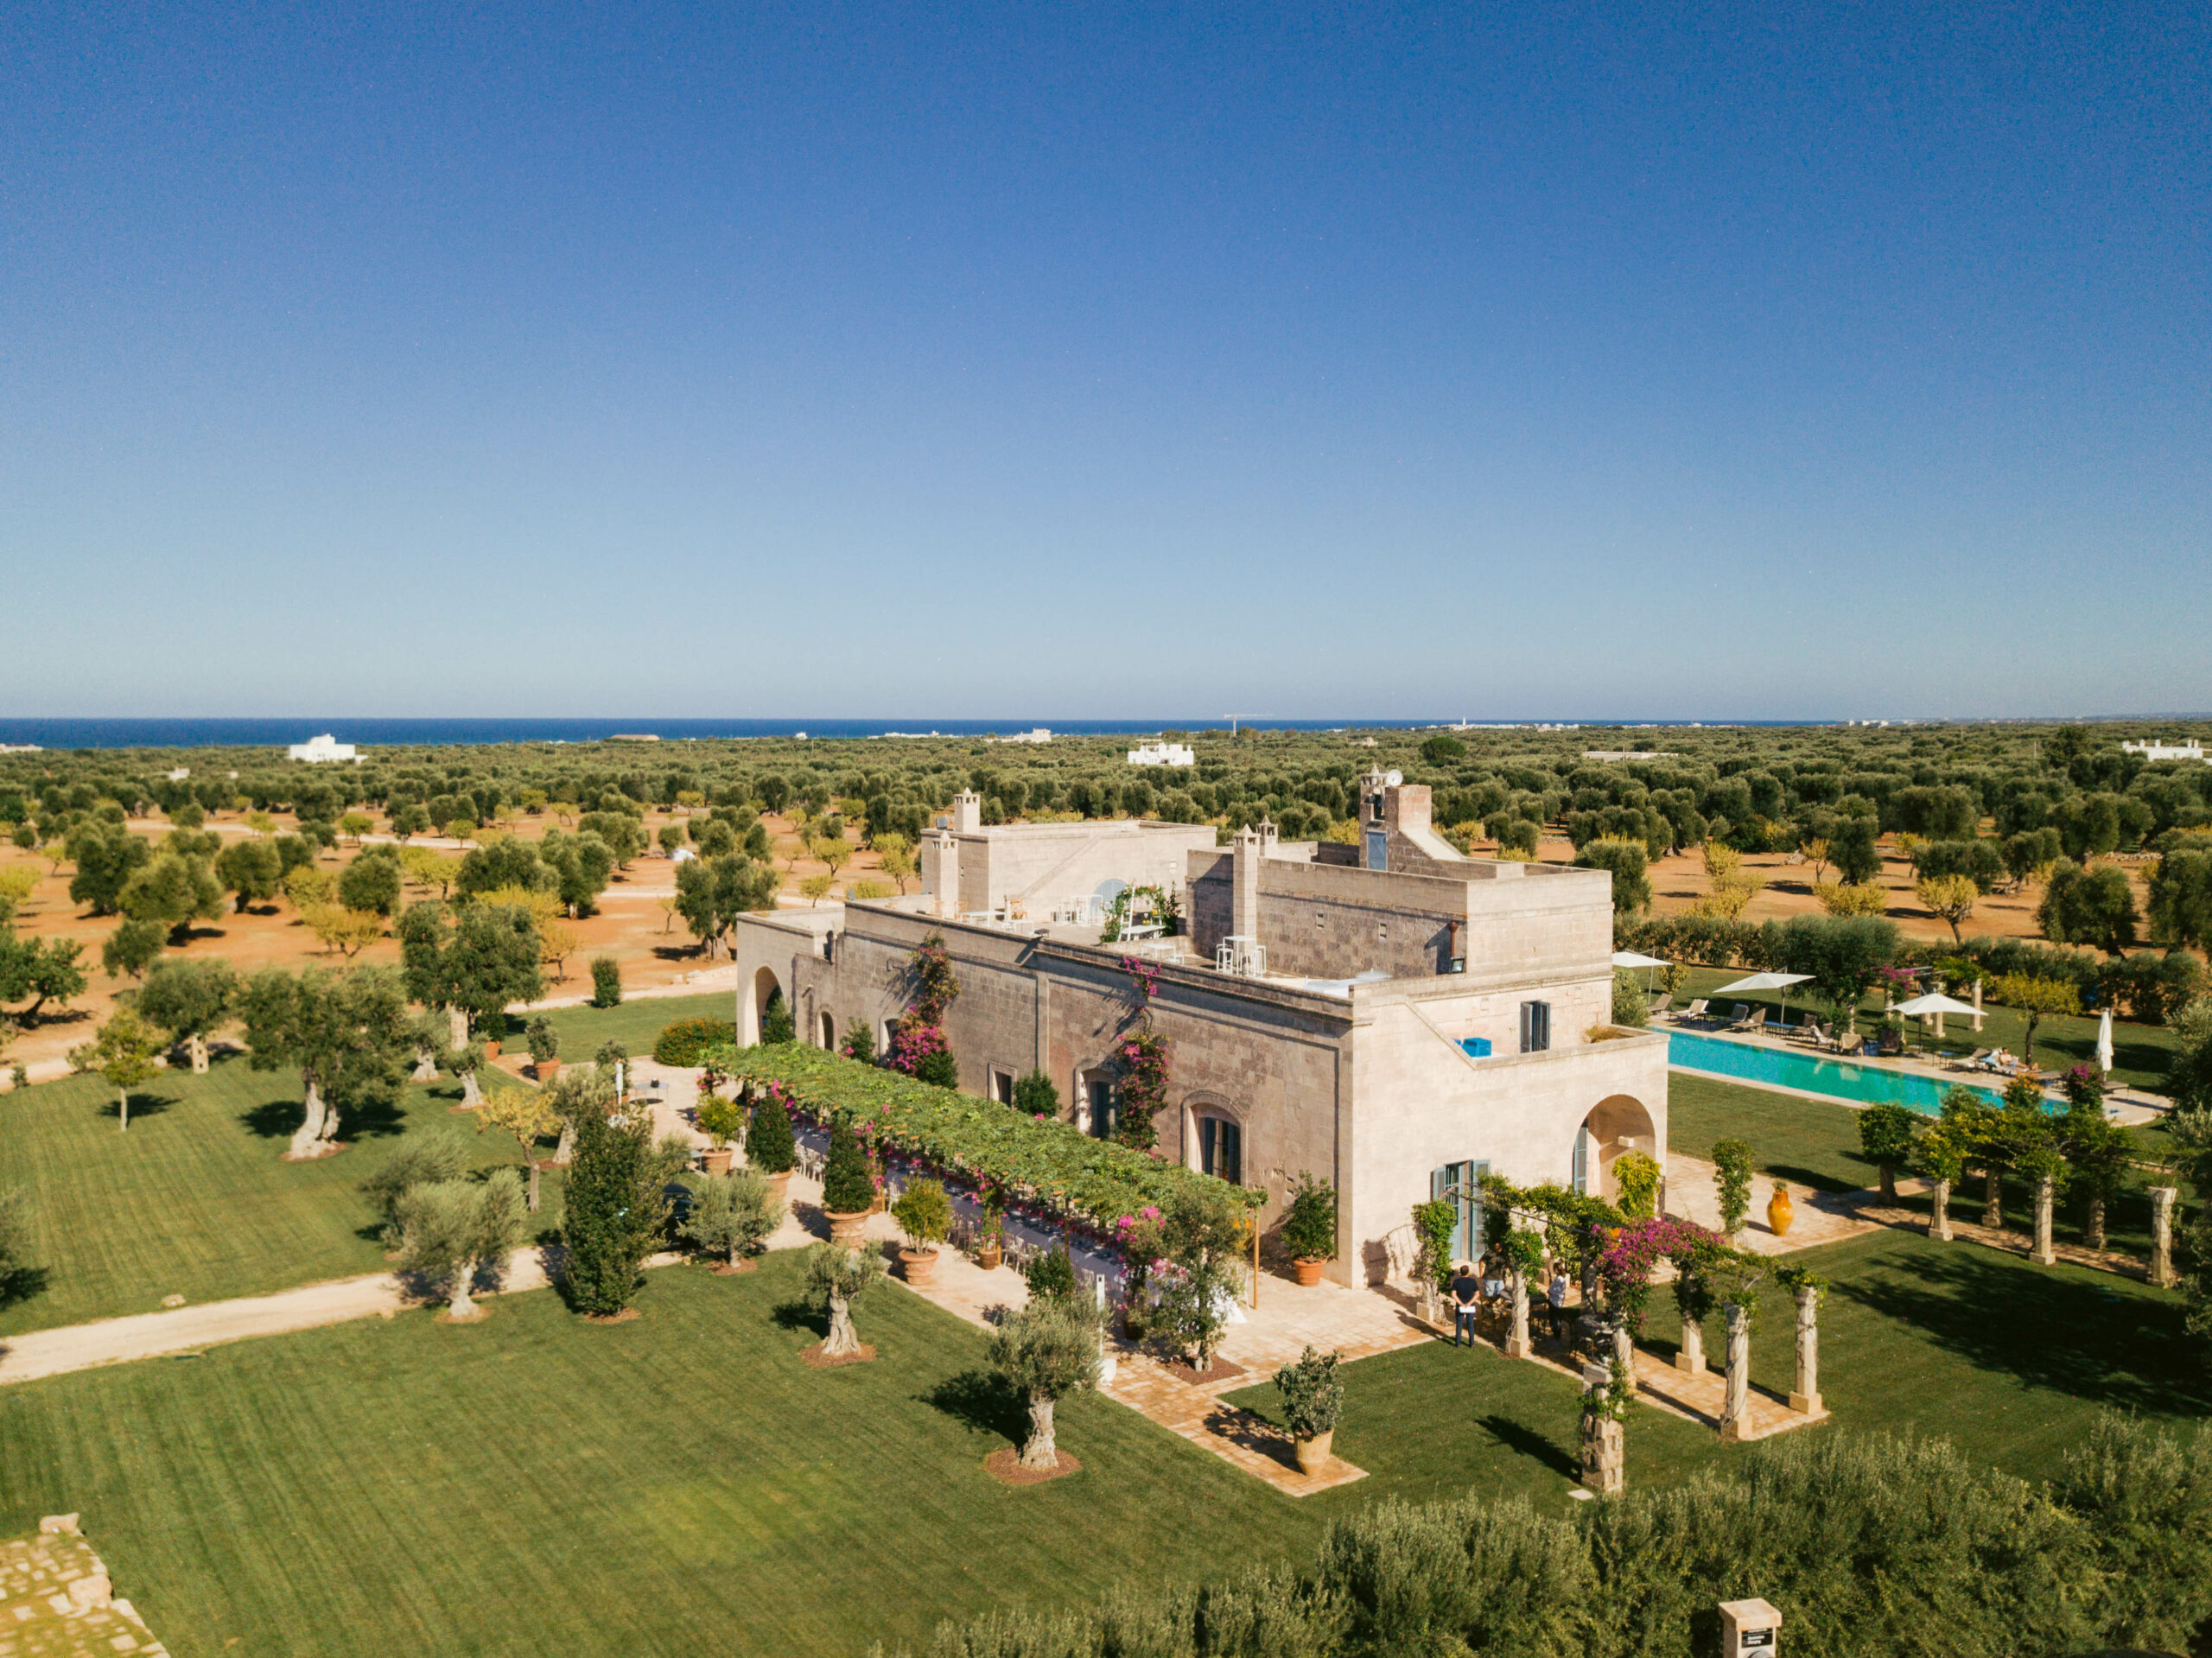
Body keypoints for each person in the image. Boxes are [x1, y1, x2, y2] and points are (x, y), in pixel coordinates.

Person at [1449, 1261, 1481, 1347]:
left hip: (1460, 1306)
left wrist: (1461, 1303)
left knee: (1459, 1324)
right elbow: (1477, 1294)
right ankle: (1471, 1343)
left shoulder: (1457, 1281)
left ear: (1460, 1272)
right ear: (1468, 1272)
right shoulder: (1473, 1281)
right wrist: (1469, 1303)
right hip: (1470, 1306)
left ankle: (1458, 1343)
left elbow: (1453, 1294)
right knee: (1470, 1324)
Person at [1545, 1264, 1570, 1341]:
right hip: (1558, 1302)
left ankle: (1557, 1338)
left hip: (1555, 1302)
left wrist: (1549, 1291)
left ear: (1556, 1270)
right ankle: (1557, 1337)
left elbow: (1550, 1290)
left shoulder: (1559, 1280)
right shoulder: (1561, 1279)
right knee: (1557, 1319)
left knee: (1554, 1320)